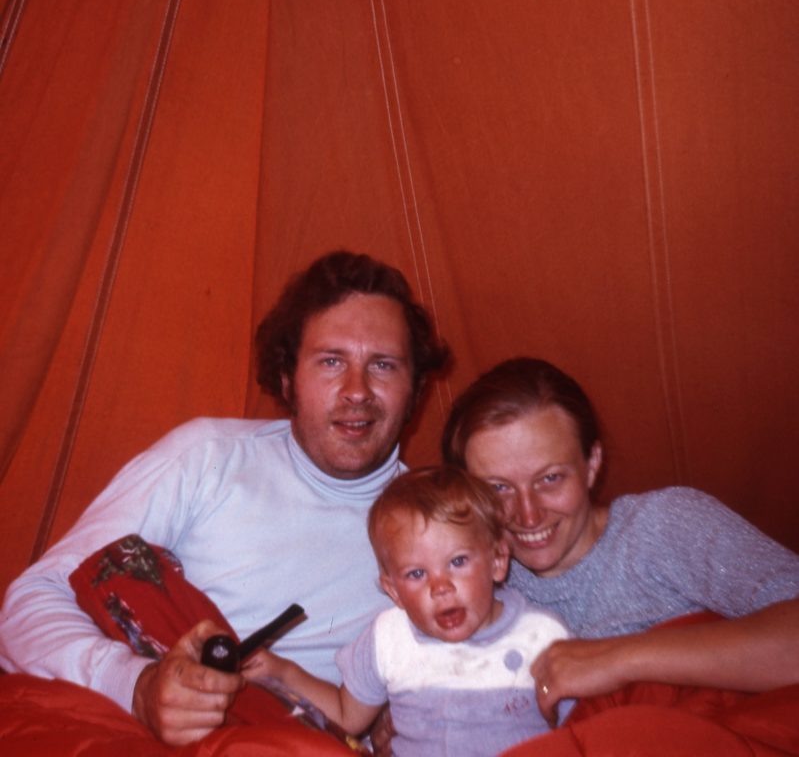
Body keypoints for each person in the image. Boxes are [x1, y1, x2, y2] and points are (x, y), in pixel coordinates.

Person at [0, 250, 449, 746]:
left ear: (417, 389)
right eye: (331, 362)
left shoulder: (444, 528)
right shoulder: (207, 457)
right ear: (286, 379)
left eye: (383, 365)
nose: (357, 391)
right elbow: (30, 602)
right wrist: (136, 685)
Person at [441, 356, 799, 724]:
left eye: (550, 479)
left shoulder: (663, 528)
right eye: (498, 488)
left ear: (592, 463)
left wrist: (618, 658)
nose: (528, 514)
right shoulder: (466, 581)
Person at [244, 465, 573, 756]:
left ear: (498, 561)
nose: (440, 587)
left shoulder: (542, 637)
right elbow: (346, 716)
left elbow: (578, 731)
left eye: (457, 562)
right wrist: (283, 672)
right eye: (416, 574)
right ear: (393, 591)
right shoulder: (388, 639)